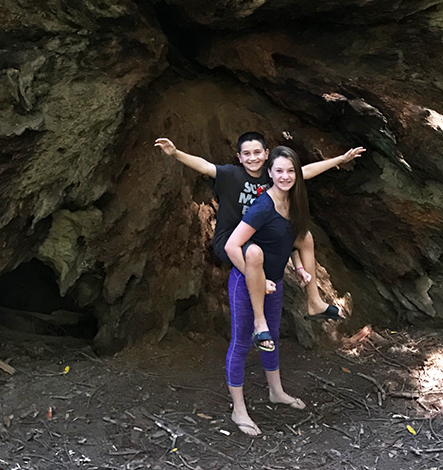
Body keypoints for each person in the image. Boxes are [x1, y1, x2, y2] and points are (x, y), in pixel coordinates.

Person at [153, 132, 364, 351]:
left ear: (266, 155)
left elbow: (304, 172)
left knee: (304, 237)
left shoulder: (271, 175)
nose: (252, 158)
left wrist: (339, 160)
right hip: (232, 239)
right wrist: (176, 153)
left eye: (257, 153)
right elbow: (205, 166)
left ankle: (314, 301)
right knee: (254, 253)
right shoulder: (231, 174)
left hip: (259, 235)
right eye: (246, 154)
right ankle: (259, 320)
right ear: (239, 157)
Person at [223, 145, 309, 436]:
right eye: (279, 171)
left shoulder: (293, 203)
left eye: (290, 171)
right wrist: (256, 279)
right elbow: (232, 246)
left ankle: (276, 392)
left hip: (275, 283)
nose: (285, 176)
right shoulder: (262, 206)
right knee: (241, 343)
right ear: (269, 174)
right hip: (246, 283)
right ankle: (238, 409)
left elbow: (289, 242)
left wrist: (299, 268)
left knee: (270, 336)